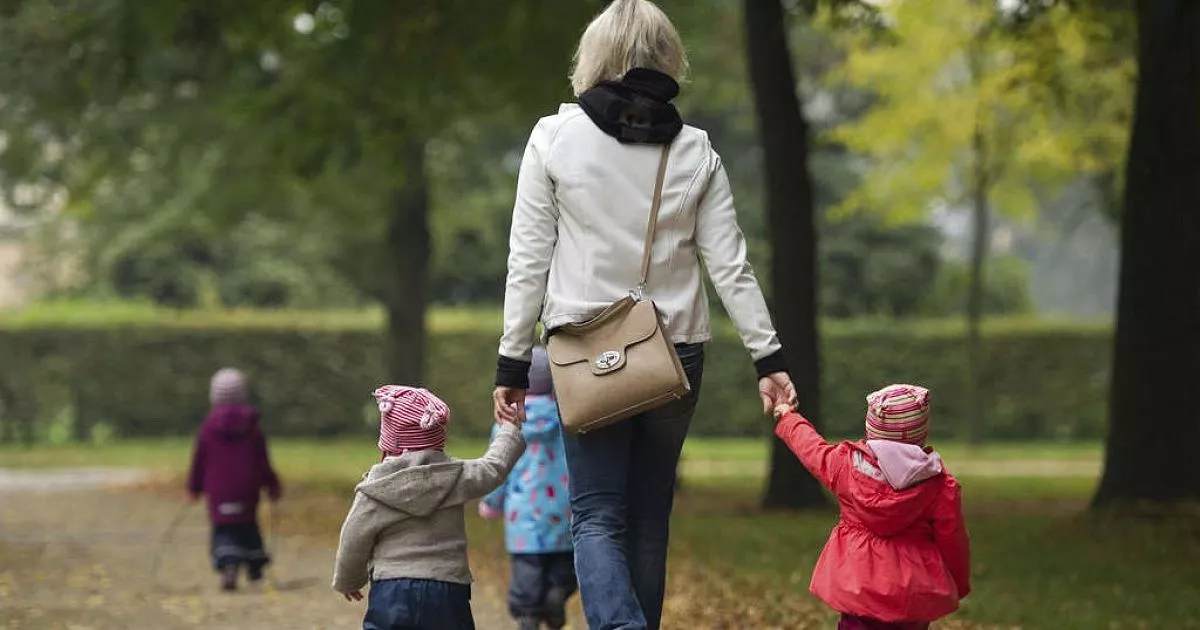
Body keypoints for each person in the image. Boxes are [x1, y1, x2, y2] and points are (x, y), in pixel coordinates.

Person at [491, 1, 797, 627]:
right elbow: (731, 265)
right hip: (674, 353)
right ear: (668, 57)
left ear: (594, 55)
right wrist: (768, 358)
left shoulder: (554, 139)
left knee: (596, 514)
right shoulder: (695, 149)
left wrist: (513, 361)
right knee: (650, 517)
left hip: (585, 354)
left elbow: (529, 260)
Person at [773, 384, 971, 630]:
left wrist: (788, 417)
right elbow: (952, 539)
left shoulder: (845, 465)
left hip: (859, 583)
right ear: (922, 433)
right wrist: (957, 582)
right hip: (914, 592)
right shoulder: (940, 485)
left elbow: (811, 448)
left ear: (871, 428)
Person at [333, 385, 526, 630]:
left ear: (387, 444)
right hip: (447, 589)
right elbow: (494, 467)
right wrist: (509, 429)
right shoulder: (457, 476)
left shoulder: (375, 489)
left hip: (392, 589)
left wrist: (349, 580)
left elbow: (354, 537)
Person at [479, 347, 576, 630]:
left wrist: (491, 503)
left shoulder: (508, 423)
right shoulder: (568, 417)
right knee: (563, 562)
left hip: (524, 516)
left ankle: (528, 616)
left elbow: (498, 470)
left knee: (527, 570)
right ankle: (558, 591)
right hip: (564, 510)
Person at [187, 367, 282, 592]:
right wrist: (272, 485)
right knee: (247, 523)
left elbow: (199, 461)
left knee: (223, 527)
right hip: (248, 487)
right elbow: (262, 460)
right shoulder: (253, 428)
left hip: (218, 489)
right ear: (242, 393)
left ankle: (228, 566)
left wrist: (194, 487)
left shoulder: (207, 428)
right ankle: (255, 566)